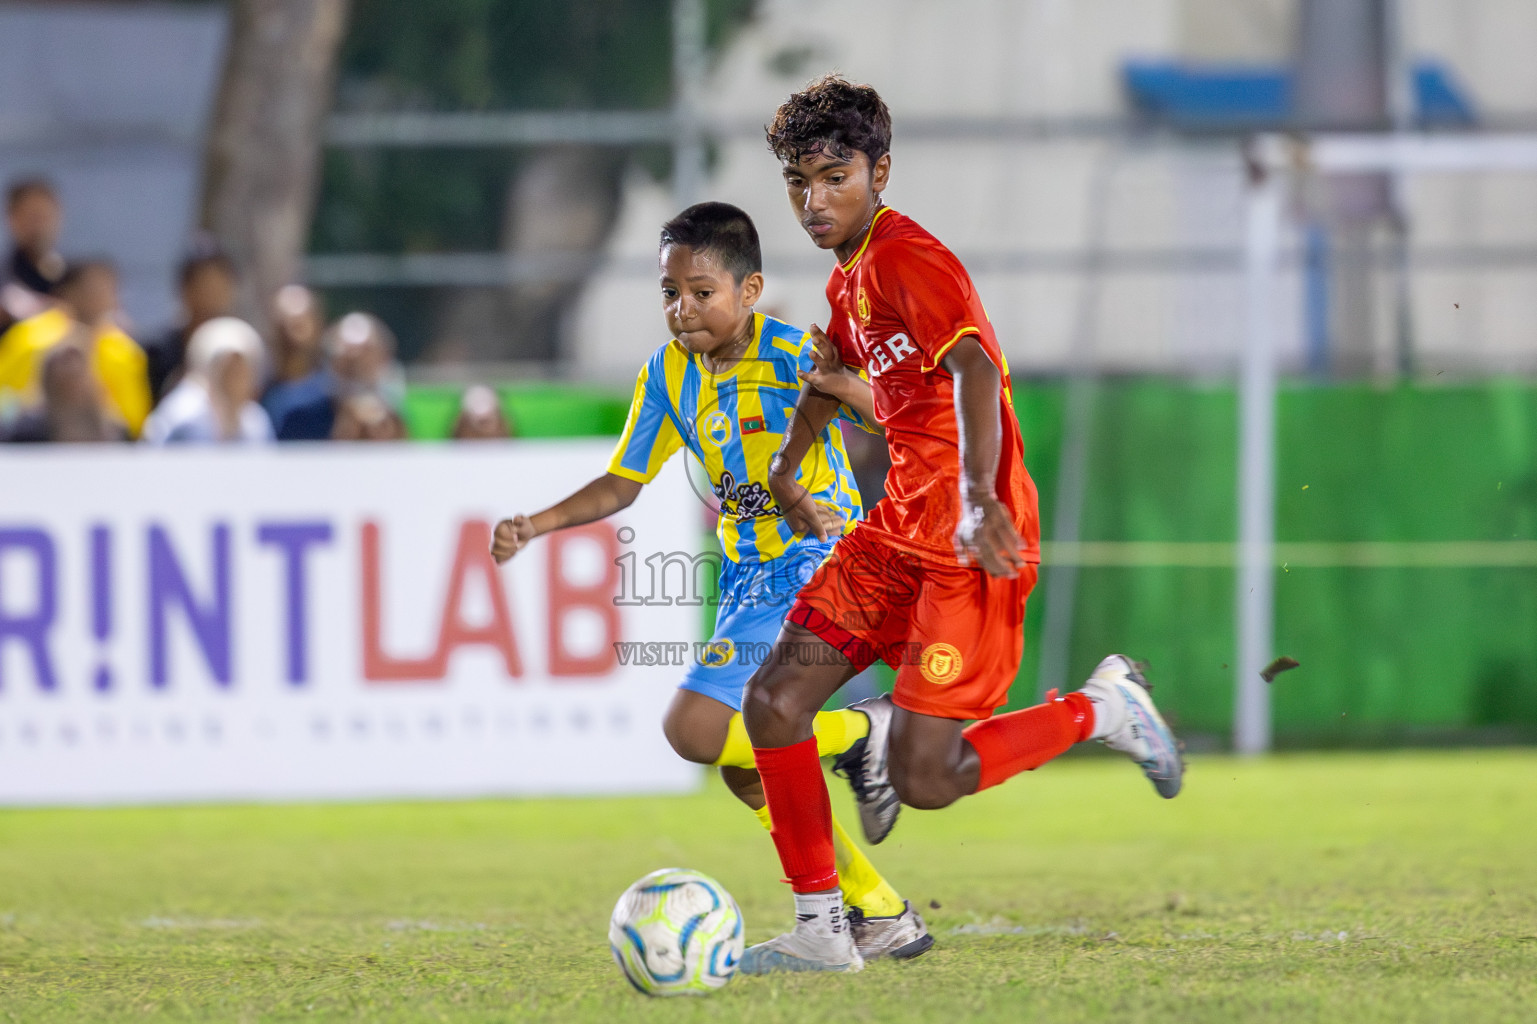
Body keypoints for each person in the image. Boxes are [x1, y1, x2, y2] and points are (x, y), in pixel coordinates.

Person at [735, 76, 1185, 975]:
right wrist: (788, 465)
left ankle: (1099, 709)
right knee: (772, 705)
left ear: (880, 171)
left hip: (964, 542)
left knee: (926, 779)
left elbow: (977, 368)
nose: (814, 201)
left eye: (834, 178)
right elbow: (833, 376)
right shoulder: (850, 276)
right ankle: (824, 929)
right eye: (798, 183)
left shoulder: (909, 259)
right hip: (894, 529)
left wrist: (979, 496)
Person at [489, 201, 932, 961]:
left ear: (749, 290)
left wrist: (850, 394)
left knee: (694, 730)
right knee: (747, 771)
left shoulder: (796, 351)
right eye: (669, 293)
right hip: (746, 578)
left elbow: (896, 416)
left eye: (701, 292)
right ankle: (877, 910)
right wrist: (537, 523)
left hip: (814, 562)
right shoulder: (665, 374)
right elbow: (622, 483)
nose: (682, 309)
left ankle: (864, 732)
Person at [0, 260, 149, 438]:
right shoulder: (29, 338)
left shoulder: (124, 351)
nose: (99, 297)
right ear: (67, 291)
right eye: (92, 289)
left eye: (107, 290)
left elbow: (136, 421)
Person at [269, 311, 404, 441]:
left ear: (384, 358)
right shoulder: (297, 415)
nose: (356, 365)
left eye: (365, 355)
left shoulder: (404, 413)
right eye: (348, 360)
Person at [142, 317, 274, 444]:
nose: (235, 379)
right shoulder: (183, 415)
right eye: (229, 370)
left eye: (241, 371)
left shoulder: (256, 421)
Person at [143, 240, 239, 405]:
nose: (213, 294)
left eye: (220, 283)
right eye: (205, 283)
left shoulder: (240, 351)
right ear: (184, 288)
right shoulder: (159, 352)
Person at [1, 342, 128, 444]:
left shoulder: (112, 429)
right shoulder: (28, 429)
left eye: (77, 377)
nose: (72, 386)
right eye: (64, 379)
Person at [0, 178, 66, 332]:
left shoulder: (73, 280)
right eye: (31, 217)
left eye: (44, 216)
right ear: (11, 219)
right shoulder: (4, 278)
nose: (38, 226)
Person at [259, 284, 327, 426]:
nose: (292, 335)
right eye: (283, 325)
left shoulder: (334, 396)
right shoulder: (256, 391)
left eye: (299, 326)